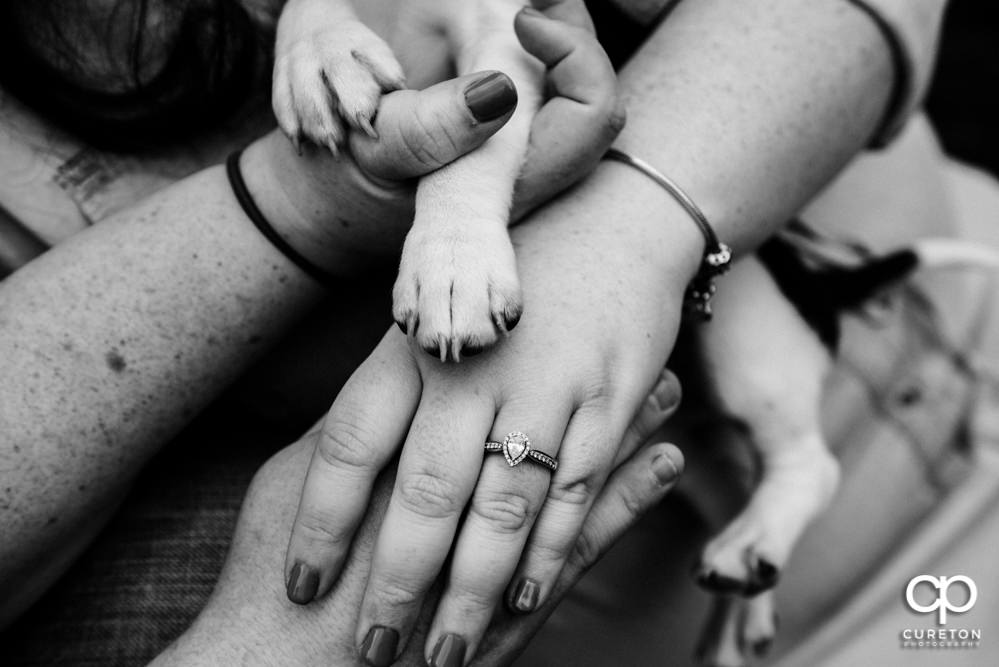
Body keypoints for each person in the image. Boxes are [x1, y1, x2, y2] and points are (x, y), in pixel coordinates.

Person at [5, 1, 994, 666]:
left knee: (755, 355)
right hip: (645, 596)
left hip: (935, 415)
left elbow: (510, 49)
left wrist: (618, 225)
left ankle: (792, 479)